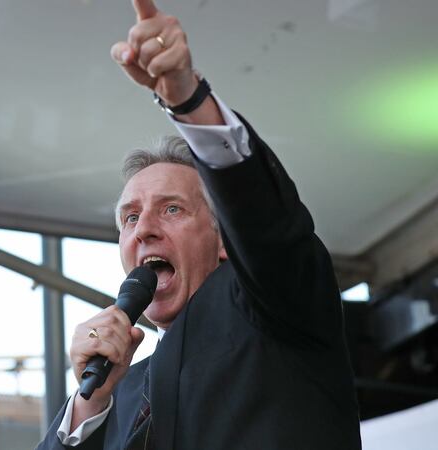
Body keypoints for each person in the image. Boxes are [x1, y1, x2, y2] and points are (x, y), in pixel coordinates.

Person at [37, 1, 361, 449]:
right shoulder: (121, 394)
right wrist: (90, 403)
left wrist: (188, 100)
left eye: (171, 209)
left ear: (224, 238)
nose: (143, 228)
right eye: (130, 217)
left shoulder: (274, 309)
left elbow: (265, 223)